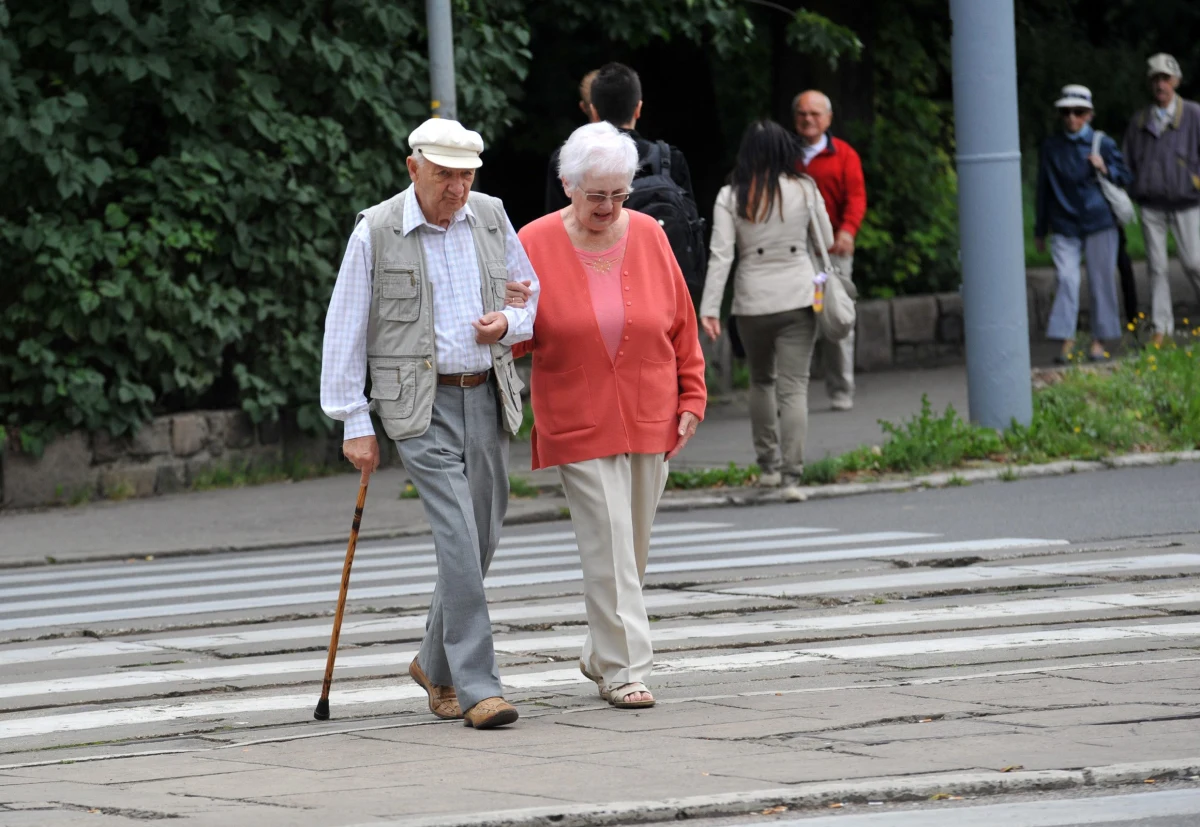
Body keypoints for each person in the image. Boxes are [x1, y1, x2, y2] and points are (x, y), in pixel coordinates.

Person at [320, 118, 540, 730]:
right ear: (413, 167)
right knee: (457, 539)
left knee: (482, 538)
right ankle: (477, 686)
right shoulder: (377, 230)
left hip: (486, 396)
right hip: (417, 405)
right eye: (445, 174)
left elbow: (529, 291)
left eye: (466, 175)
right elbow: (346, 326)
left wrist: (509, 325)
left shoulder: (492, 216)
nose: (457, 188)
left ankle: (431, 661)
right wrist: (352, 421)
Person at [513, 122, 706, 710]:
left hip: (651, 408)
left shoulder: (648, 234)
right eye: (596, 194)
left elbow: (680, 321)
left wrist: (692, 395)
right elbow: (517, 337)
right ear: (568, 185)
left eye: (618, 194)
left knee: (634, 550)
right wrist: (509, 318)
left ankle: (600, 652)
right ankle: (625, 670)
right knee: (610, 545)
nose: (608, 206)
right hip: (577, 411)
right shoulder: (534, 241)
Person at [697, 120, 833, 495]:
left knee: (761, 381)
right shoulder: (805, 188)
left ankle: (768, 467)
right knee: (794, 388)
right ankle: (792, 476)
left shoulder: (729, 195)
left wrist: (710, 307)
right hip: (798, 298)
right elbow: (829, 238)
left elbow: (721, 255)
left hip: (752, 302)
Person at [1035, 85, 1131, 363]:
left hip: (1099, 221)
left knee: (1101, 281)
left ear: (1089, 115)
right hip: (1064, 223)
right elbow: (1043, 189)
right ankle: (1067, 340)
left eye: (1078, 112)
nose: (1071, 118)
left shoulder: (1103, 143)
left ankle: (1099, 343)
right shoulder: (1052, 147)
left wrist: (1105, 168)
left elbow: (1125, 176)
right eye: (1066, 112)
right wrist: (1040, 230)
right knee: (1066, 279)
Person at [793, 90, 866, 411]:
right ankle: (792, 394)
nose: (808, 119)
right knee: (795, 320)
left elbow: (857, 197)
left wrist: (848, 232)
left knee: (836, 317)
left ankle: (840, 390)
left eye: (815, 114)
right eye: (802, 114)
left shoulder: (845, 155)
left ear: (828, 119)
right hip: (794, 251)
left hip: (833, 250)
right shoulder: (785, 154)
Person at [1123, 53, 1200, 345]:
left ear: (1176, 81)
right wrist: (1134, 187)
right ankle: (1161, 328)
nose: (1160, 85)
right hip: (1151, 204)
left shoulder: (1193, 114)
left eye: (1165, 78)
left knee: (1194, 262)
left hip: (1187, 201)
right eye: (1155, 79)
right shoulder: (1140, 120)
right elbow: (1126, 159)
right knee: (1157, 267)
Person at [542, 69, 600, 213]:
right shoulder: (659, 156)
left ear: (586, 108)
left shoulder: (566, 156)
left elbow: (556, 216)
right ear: (637, 107)